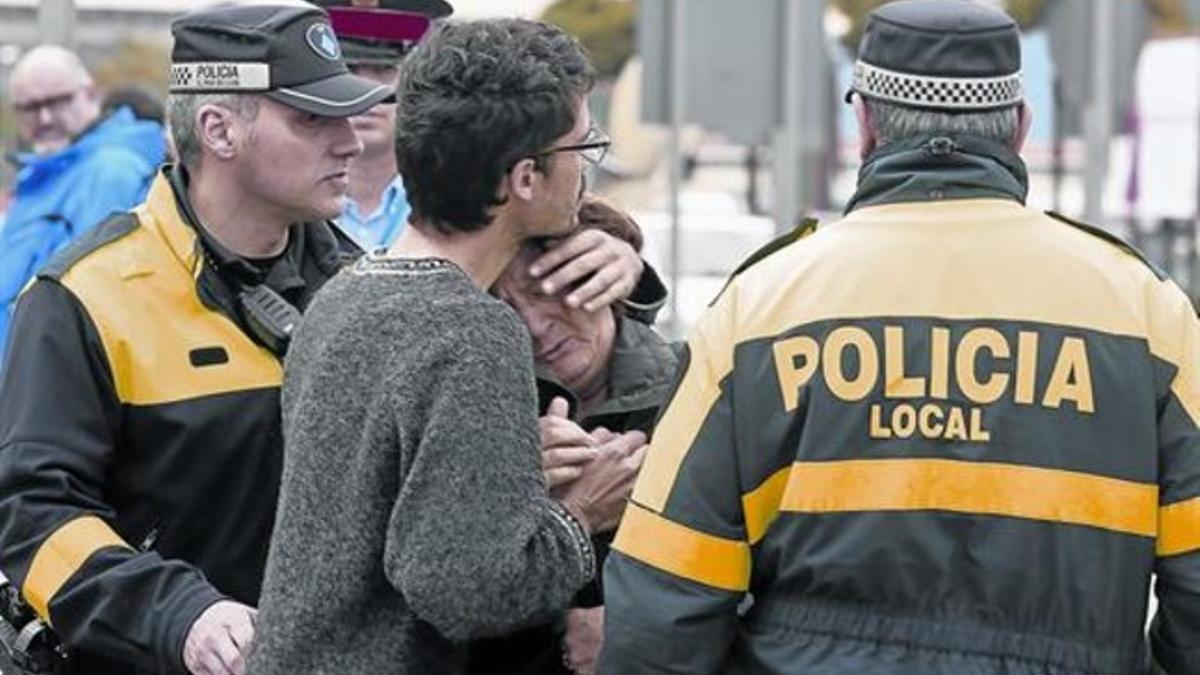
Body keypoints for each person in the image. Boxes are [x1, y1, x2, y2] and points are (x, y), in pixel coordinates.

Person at [601, 1, 1200, 674]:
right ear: (1020, 127)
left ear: (863, 122)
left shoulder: (761, 307)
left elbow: (666, 591)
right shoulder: (1145, 311)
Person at [0, 4, 396, 674]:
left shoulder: (363, 285)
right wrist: (182, 615)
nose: (350, 141)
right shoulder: (84, 296)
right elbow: (31, 516)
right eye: (312, 118)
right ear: (218, 130)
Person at [248, 18, 643, 674]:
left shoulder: (343, 295)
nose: (587, 170)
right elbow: (465, 589)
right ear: (524, 178)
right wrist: (582, 510)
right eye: (583, 145)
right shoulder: (472, 334)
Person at [477, 197, 680, 675]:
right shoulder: (484, 413)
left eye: (547, 290)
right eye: (505, 307)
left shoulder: (696, 394)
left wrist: (637, 625)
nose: (534, 326)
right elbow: (458, 596)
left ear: (606, 277)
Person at [0, 45, 165, 362]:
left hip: (53, 377)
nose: (44, 117)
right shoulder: (43, 174)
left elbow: (93, 299)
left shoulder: (109, 171)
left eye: (56, 101)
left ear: (91, 94)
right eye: (29, 107)